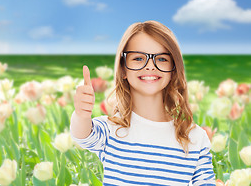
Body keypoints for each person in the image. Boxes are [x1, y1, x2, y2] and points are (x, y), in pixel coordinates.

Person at [70, 20, 216, 186]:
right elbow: (82, 135)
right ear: (123, 68)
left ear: (173, 70)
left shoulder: (195, 137)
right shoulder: (111, 130)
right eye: (138, 58)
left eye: (161, 59)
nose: (150, 66)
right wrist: (81, 114)